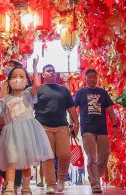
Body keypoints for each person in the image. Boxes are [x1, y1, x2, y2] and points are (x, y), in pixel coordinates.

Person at [0, 66, 54, 195]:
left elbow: (37, 85)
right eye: (14, 76)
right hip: (11, 133)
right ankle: (10, 186)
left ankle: (26, 187)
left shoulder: (28, 95)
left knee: (27, 162)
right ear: (9, 81)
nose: (17, 79)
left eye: (21, 76)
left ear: (27, 81)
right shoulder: (5, 99)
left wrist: (34, 66)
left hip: (27, 132)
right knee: (11, 160)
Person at [33, 59, 80, 194]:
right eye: (48, 70)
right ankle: (50, 184)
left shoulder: (63, 90)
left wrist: (76, 124)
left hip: (61, 126)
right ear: (43, 75)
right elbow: (30, 107)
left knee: (65, 155)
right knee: (47, 156)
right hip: (43, 127)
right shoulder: (38, 89)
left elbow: (71, 109)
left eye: (53, 70)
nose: (52, 72)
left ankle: (61, 179)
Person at [73, 69, 119, 193]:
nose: (93, 79)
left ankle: (95, 176)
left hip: (101, 128)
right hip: (87, 128)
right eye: (90, 77)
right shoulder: (80, 93)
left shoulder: (102, 93)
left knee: (105, 154)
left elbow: (110, 109)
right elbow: (73, 109)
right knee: (91, 156)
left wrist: (114, 125)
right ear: (85, 78)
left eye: (95, 77)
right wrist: (74, 125)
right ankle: (95, 183)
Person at [0, 60, 25, 191]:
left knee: (17, 155)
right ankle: (6, 179)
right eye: (8, 66)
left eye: (11, 66)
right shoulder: (1, 84)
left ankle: (14, 184)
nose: (8, 68)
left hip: (18, 127)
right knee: (1, 155)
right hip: (2, 125)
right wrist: (4, 105)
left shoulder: (23, 86)